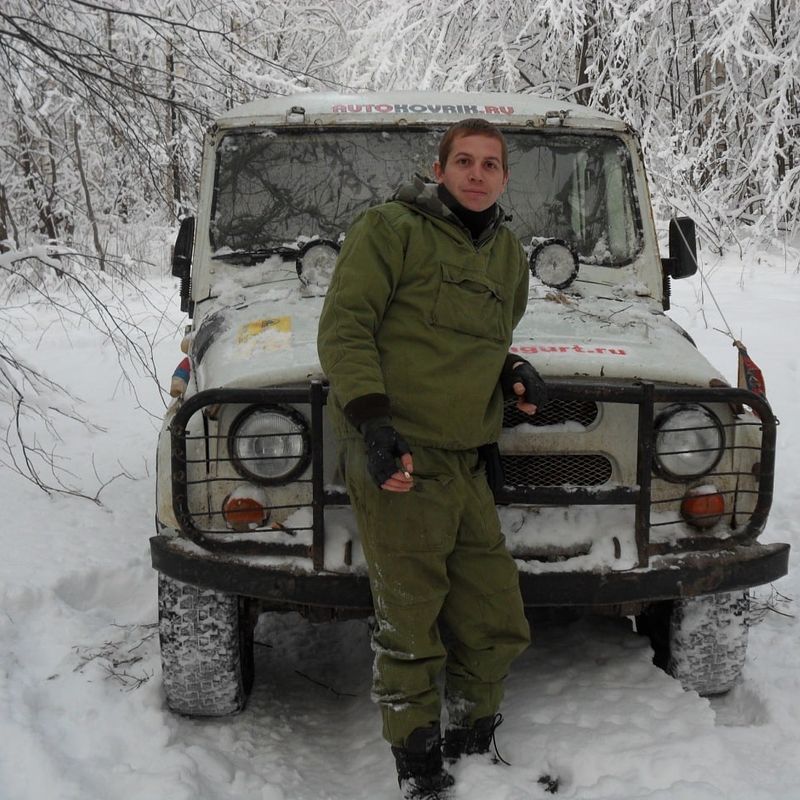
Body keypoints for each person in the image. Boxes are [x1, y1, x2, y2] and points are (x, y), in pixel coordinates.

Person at [317, 118, 547, 800]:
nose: (477, 174)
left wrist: (515, 368)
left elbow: (483, 336)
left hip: (466, 460)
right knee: (411, 620)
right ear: (440, 169)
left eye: (490, 165)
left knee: (495, 616)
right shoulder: (390, 230)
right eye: (464, 162)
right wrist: (374, 423)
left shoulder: (506, 252)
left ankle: (471, 741)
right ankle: (418, 766)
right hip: (402, 456)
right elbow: (346, 327)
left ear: (505, 178)